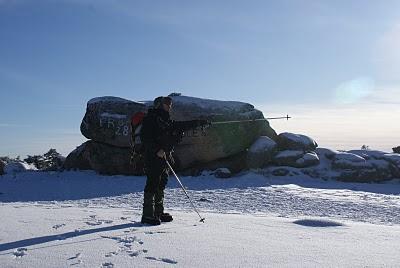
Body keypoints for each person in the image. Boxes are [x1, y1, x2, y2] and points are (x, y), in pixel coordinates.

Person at [140, 96, 209, 225]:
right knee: (152, 183)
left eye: (170, 103)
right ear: (159, 105)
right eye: (167, 103)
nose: (169, 105)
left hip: (165, 157)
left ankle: (158, 212)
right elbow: (145, 138)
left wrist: (200, 122)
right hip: (154, 157)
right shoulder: (151, 119)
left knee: (162, 183)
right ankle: (147, 215)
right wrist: (157, 150)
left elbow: (181, 125)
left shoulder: (166, 120)